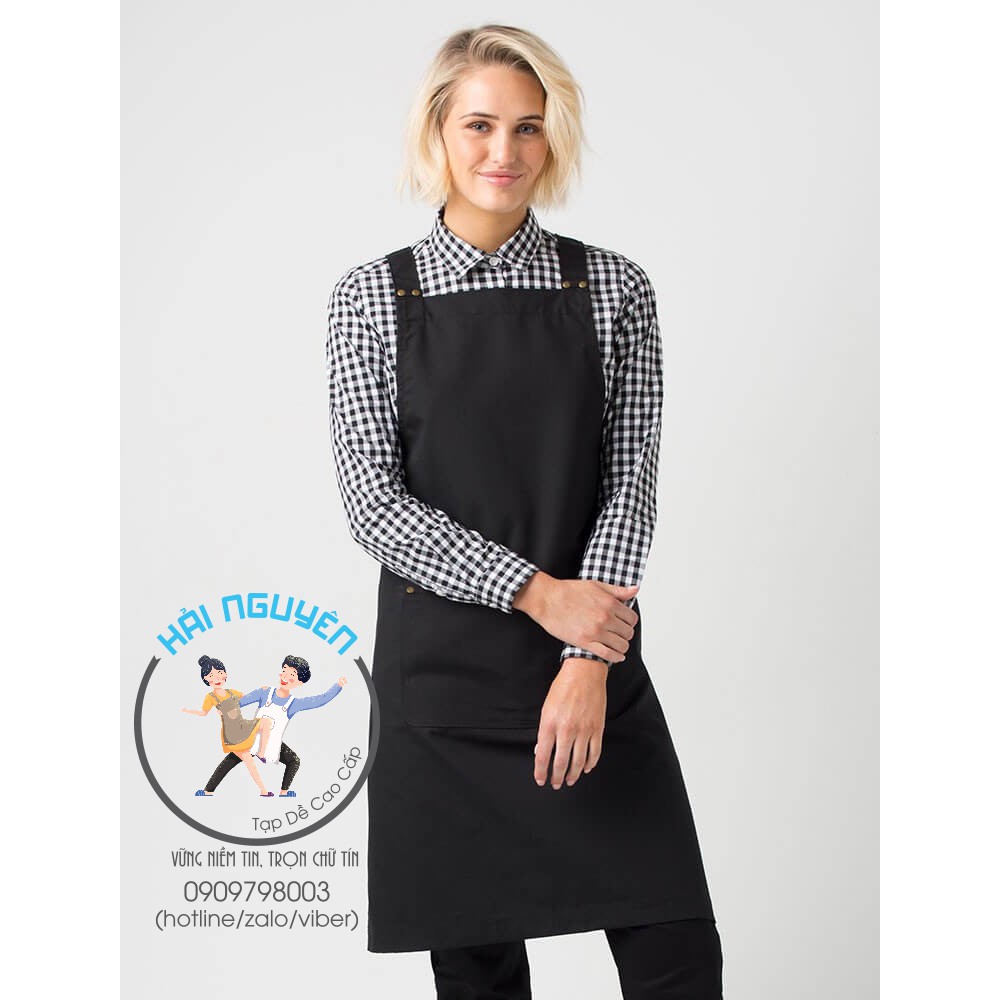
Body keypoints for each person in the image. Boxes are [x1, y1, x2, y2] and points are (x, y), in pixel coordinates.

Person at [326, 24, 723, 999]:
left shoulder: (614, 288)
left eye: (528, 127)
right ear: (437, 131)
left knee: (676, 955)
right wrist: (541, 595)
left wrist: (587, 656)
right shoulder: (370, 299)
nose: (503, 151)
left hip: (591, 669)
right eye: (479, 125)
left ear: (554, 138)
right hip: (444, 694)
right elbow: (376, 508)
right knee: (479, 979)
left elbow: (630, 484)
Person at [200, 655, 347, 798]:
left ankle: (284, 792)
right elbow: (239, 703)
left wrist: (338, 686)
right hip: (252, 736)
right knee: (231, 760)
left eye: (292, 675)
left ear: (300, 682)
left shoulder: (294, 704)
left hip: (272, 742)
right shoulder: (264, 692)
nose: (285, 676)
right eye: (284, 671)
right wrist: (221, 707)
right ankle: (208, 790)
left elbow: (320, 700)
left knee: (293, 760)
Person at [182, 654, 273, 797]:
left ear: (225, 674)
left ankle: (261, 753)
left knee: (266, 722)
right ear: (205, 679)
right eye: (211, 675)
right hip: (232, 733)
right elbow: (203, 713)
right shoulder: (210, 697)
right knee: (248, 761)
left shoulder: (232, 692)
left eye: (219, 673)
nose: (216, 678)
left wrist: (261, 690)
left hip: (243, 725)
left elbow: (249, 697)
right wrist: (186, 710)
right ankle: (263, 790)